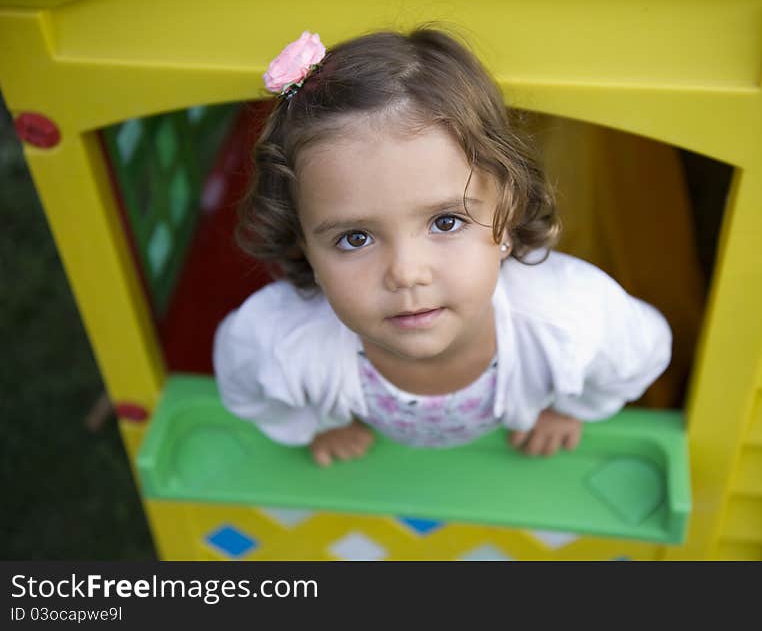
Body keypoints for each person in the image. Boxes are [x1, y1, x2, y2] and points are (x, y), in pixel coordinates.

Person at [213, 27, 672, 467]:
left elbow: (645, 349)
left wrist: (574, 409)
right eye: (356, 238)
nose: (407, 273)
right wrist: (312, 425)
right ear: (305, 246)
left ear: (506, 216)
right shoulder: (280, 341)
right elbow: (241, 382)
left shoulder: (569, 318)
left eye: (446, 221)